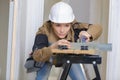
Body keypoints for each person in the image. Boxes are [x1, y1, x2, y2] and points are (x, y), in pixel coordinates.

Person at [32, 1, 102, 80]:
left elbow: (97, 27)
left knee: (80, 79)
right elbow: (36, 55)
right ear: (52, 23)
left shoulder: (74, 28)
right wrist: (53, 47)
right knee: (41, 78)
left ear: (71, 23)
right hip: (47, 58)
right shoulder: (44, 31)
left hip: (68, 57)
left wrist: (88, 34)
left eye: (66, 25)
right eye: (58, 25)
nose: (62, 30)